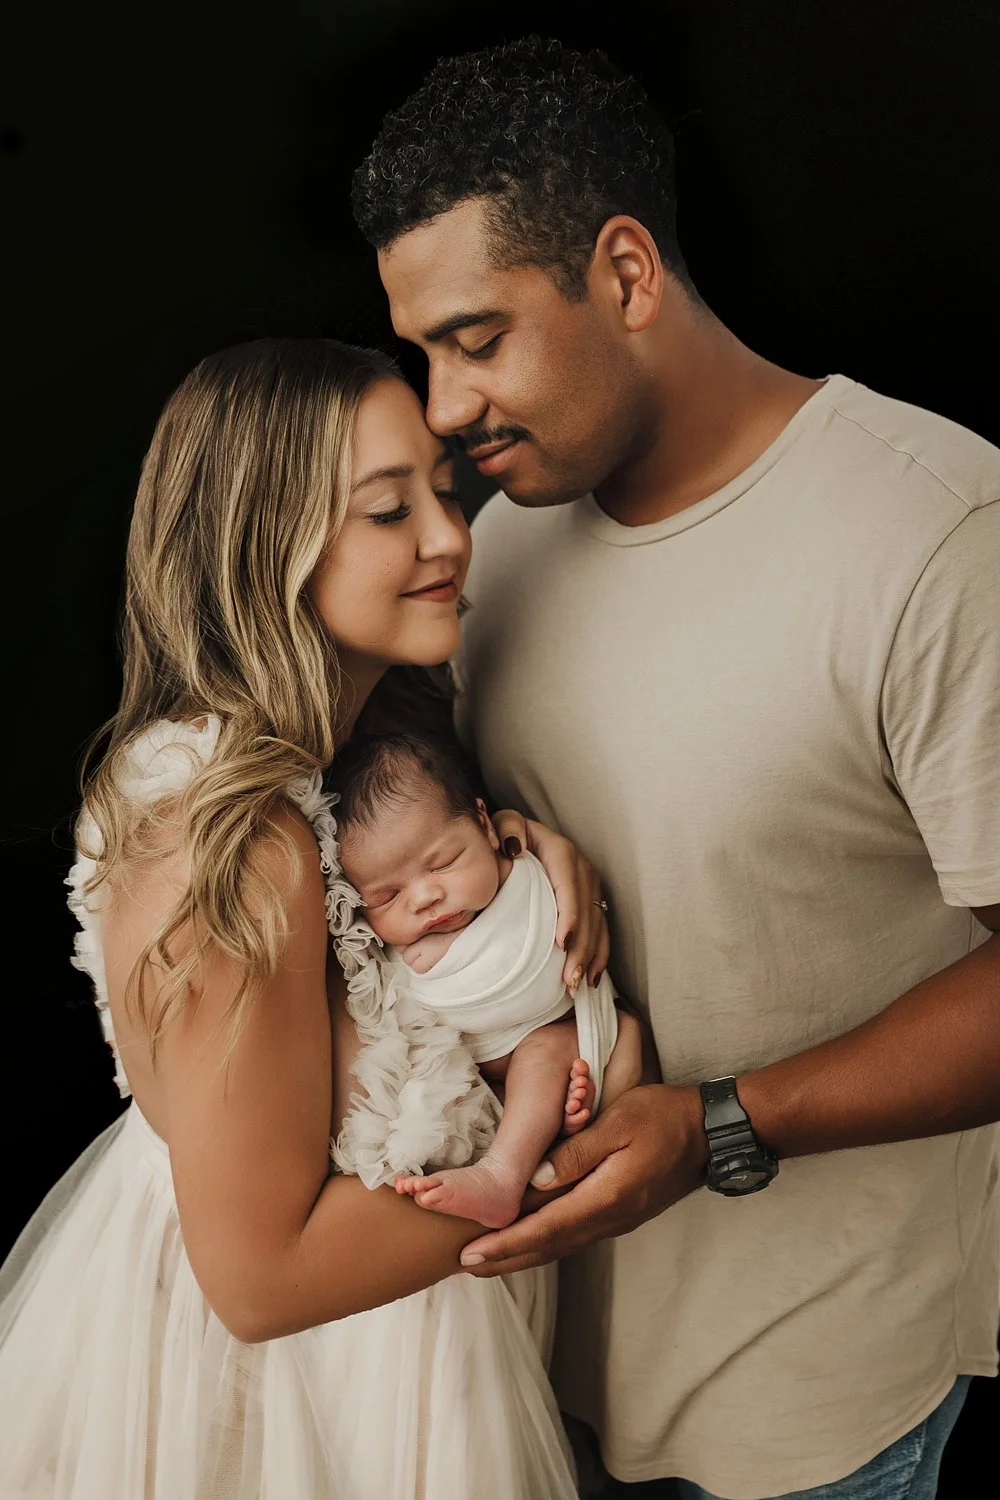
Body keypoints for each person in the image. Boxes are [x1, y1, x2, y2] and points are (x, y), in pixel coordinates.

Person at [351, 34, 1000, 1500]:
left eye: (477, 337)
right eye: (420, 354)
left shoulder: (936, 534)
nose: (443, 408)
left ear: (627, 273)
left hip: (816, 1407)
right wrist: (523, 835)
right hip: (518, 1369)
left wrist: (721, 1126)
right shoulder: (487, 547)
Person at [0, 336, 617, 1498]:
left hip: (389, 1328)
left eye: (441, 491)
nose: (450, 536)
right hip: (303, 1376)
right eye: (389, 511)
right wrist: (580, 1164)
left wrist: (515, 865)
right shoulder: (239, 838)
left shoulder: (326, 774)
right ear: (261, 547)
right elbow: (260, 1281)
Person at [329, 729, 642, 1228]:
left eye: (444, 862)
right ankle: (537, 1126)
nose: (424, 897)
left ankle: (502, 1175)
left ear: (485, 824)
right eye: (387, 897)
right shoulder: (380, 952)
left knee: (546, 1053)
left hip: (558, 1035)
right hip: (472, 1078)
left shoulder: (525, 873)